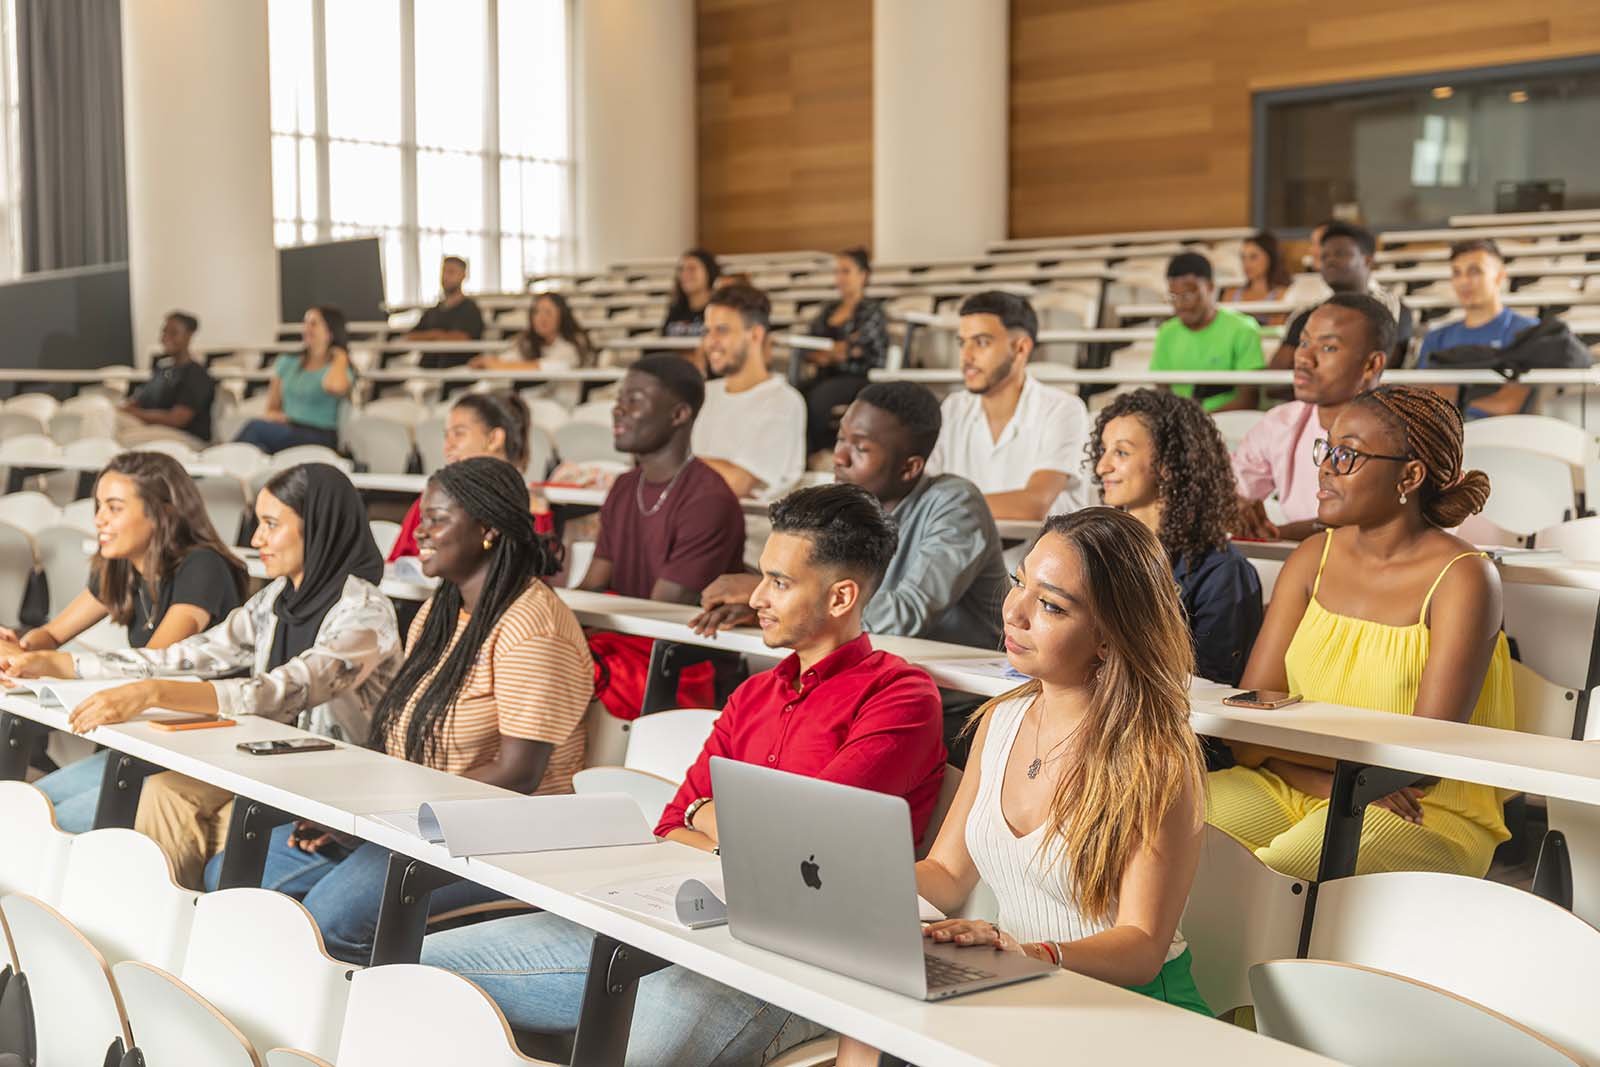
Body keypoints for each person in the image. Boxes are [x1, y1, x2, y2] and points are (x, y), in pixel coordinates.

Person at [422, 483, 946, 1064]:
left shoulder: (899, 695)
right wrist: (713, 822)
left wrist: (710, 817)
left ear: (842, 596)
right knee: (419, 967)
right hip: (669, 923)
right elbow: (673, 822)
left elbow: (806, 852)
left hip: (790, 966)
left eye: (779, 582)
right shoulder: (753, 694)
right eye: (763, 577)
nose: (759, 598)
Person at [835, 507, 1211, 1065]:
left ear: (1109, 638)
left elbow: (1141, 947)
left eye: (1051, 605)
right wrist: (846, 884)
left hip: (1130, 1012)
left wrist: (1029, 952)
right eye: (1019, 582)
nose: (1015, 611)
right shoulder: (1001, 720)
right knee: (868, 1017)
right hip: (1027, 985)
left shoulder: (1154, 758)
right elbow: (945, 875)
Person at [204, 458, 593, 964]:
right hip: (418, 822)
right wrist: (354, 816)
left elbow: (518, 774)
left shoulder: (533, 629)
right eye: (420, 518)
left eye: (436, 519)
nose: (420, 534)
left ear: (488, 529)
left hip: (495, 837)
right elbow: (401, 736)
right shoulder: (441, 610)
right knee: (230, 873)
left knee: (331, 920)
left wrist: (396, 820)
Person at [2, 464, 403, 888]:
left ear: (320, 527)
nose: (256, 539)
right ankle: (153, 930)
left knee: (148, 812)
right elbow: (195, 654)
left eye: (271, 524)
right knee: (164, 796)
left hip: (333, 790)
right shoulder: (278, 597)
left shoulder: (365, 613)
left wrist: (154, 692)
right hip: (267, 768)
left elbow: (283, 690)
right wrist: (62, 664)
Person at [1208, 385, 1512, 882]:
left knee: (1276, 875)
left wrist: (1326, 770)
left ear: (1409, 475)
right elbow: (1249, 724)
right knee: (1158, 829)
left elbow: (1418, 761)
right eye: (1325, 448)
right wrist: (1326, 775)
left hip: (1418, 809)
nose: (1324, 467)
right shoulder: (1312, 557)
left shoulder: (1464, 578)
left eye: (1346, 454)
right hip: (1304, 782)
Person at [6, 453, 247, 832]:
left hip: (191, 755)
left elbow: (151, 665)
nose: (99, 519)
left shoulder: (203, 566)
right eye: (100, 506)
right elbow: (52, 634)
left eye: (114, 508)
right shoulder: (122, 564)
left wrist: (48, 661)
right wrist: (22, 644)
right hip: (138, 742)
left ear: (162, 513)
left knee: (45, 825)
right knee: (23, 810)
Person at [693, 381, 1006, 650]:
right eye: (841, 439)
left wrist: (775, 592)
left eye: (861, 448)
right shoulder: (850, 508)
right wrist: (775, 610)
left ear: (910, 468)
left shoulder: (956, 505)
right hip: (878, 678)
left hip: (962, 695)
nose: (839, 457)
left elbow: (903, 617)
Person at [580, 355, 745, 721]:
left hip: (680, 668)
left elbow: (661, 612)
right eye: (620, 398)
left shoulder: (708, 499)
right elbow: (594, 582)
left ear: (679, 415)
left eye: (634, 400)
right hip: (624, 644)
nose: (618, 410)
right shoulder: (625, 486)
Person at [1090, 390, 1263, 685]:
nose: (1101, 467)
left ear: (1168, 464)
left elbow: (1208, 687)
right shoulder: (1096, 548)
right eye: (1103, 451)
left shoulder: (1223, 573)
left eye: (1121, 452)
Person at [1233, 293, 1392, 541]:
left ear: (1372, 365)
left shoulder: (1402, 431)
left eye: (1328, 347)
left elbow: (1371, 525)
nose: (1304, 359)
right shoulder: (1282, 422)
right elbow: (1233, 489)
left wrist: (1277, 535)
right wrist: (1235, 508)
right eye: (1304, 343)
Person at [925, 291, 1090, 520]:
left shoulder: (1063, 409)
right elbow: (922, 496)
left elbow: (1033, 504)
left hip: (1037, 555)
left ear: (1021, 348)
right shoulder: (952, 408)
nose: (966, 356)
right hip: (966, 553)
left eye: (982, 342)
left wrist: (943, 506)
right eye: (962, 343)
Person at [388, 393, 547, 561]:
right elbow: (396, 566)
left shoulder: (533, 508)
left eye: (459, 434)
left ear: (494, 439)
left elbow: (540, 572)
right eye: (446, 436)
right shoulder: (432, 501)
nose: (447, 447)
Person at [692, 284, 806, 499]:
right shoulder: (703, 393)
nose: (710, 342)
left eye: (722, 330)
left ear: (755, 335)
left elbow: (736, 484)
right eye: (707, 331)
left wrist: (671, 462)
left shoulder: (783, 401)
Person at [1416, 238, 1539, 418]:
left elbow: (1508, 405)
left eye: (1475, 271)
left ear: (1499, 277)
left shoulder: (1528, 331)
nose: (1463, 281)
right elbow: (1420, 402)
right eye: (1457, 273)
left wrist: (1450, 398)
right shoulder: (1436, 338)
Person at [1270, 221, 1411, 369]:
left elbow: (1381, 366)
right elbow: (1278, 371)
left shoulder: (1390, 308)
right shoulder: (1307, 314)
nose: (1330, 261)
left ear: (1367, 260)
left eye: (1340, 254)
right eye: (1325, 256)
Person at [1149, 252, 1264, 413]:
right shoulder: (1167, 333)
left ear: (1210, 287)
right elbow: (1162, 393)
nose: (1181, 304)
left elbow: (1248, 400)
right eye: (1174, 296)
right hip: (1181, 425)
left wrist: (1199, 423)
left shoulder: (1243, 328)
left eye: (1188, 294)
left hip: (1232, 425)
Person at [802, 247, 890, 455]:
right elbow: (809, 346)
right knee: (795, 394)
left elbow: (853, 350)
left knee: (818, 400)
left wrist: (832, 352)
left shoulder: (871, 310)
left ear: (863, 275)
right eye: (837, 272)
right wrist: (835, 351)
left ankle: (818, 452)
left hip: (857, 376)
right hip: (825, 376)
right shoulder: (828, 309)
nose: (840, 278)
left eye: (846, 271)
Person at [235, 306, 353, 453]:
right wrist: (277, 417)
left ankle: (222, 467)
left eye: (313, 324)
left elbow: (334, 386)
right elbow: (272, 408)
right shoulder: (287, 362)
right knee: (258, 447)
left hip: (320, 435)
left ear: (330, 332)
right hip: (289, 428)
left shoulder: (340, 367)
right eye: (305, 323)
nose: (306, 328)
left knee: (255, 428)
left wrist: (341, 356)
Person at [117, 311, 216, 448]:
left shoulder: (196, 375)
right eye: (164, 332)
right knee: (109, 419)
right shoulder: (164, 370)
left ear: (188, 336)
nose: (165, 338)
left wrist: (136, 413)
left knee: (124, 440)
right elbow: (140, 400)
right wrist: (125, 409)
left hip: (187, 436)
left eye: (173, 333)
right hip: (152, 426)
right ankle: (92, 466)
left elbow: (177, 419)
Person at [469, 291, 593, 372]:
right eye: (536, 312)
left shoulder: (573, 344)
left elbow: (543, 368)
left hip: (561, 408)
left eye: (548, 312)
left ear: (562, 316)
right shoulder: (529, 342)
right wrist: (488, 361)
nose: (541, 318)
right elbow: (510, 358)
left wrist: (494, 365)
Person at [1220, 231, 1293, 324]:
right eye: (1243, 257)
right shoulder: (1230, 295)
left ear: (1270, 258)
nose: (1246, 264)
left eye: (1253, 257)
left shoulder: (1283, 295)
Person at [406, 256, 486, 341]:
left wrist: (434, 336)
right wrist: (435, 335)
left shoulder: (470, 309)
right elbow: (411, 335)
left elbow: (465, 337)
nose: (445, 277)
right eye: (443, 271)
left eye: (451, 272)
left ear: (463, 275)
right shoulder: (433, 311)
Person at [661, 249, 720, 338]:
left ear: (709, 272)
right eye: (681, 270)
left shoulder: (720, 309)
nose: (685, 274)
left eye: (692, 269)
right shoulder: (676, 309)